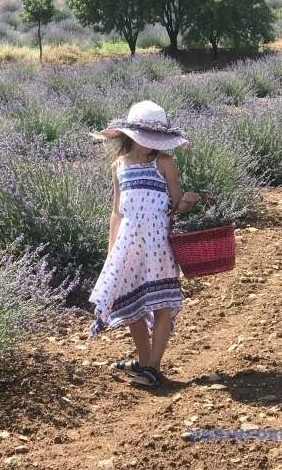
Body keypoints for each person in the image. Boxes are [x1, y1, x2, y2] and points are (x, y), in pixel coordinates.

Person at [88, 100, 200, 388]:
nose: (151, 145)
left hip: (158, 245)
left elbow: (176, 205)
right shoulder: (119, 166)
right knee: (131, 304)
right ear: (130, 136)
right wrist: (111, 251)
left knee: (161, 304)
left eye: (157, 140)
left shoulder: (164, 163)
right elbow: (116, 211)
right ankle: (144, 360)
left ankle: (153, 368)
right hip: (128, 246)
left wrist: (187, 201)